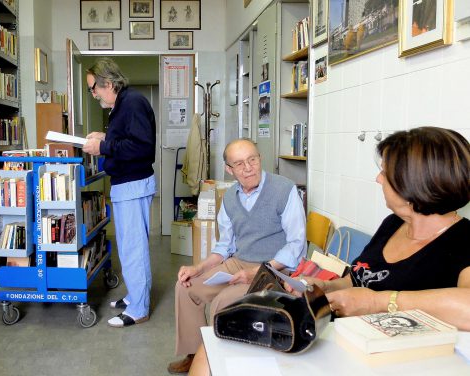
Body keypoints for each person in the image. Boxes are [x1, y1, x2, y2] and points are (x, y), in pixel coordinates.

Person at [187, 126, 470, 375]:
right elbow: (356, 279)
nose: (378, 179)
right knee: (209, 351)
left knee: (219, 352)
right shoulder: (393, 225)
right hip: (333, 333)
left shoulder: (463, 239)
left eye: (386, 172)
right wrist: (324, 285)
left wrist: (377, 302)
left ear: (415, 183)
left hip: (379, 355)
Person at [167, 138, 307, 374]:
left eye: (252, 159)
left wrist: (259, 270)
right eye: (240, 163)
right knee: (186, 286)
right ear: (229, 170)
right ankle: (195, 354)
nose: (249, 167)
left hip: (276, 269)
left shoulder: (284, 189)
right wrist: (198, 269)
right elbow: (224, 246)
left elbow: (296, 244)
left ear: (260, 159)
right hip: (239, 262)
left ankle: (218, 362)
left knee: (224, 301)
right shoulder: (230, 197)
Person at [82, 58, 156, 328]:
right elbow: (127, 138)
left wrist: (103, 148)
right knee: (128, 247)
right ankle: (136, 295)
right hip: (127, 184)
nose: (93, 94)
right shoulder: (121, 105)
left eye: (94, 88)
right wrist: (105, 137)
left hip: (133, 184)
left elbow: (142, 147)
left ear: (109, 84)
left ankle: (139, 309)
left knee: (134, 248)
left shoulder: (132, 103)